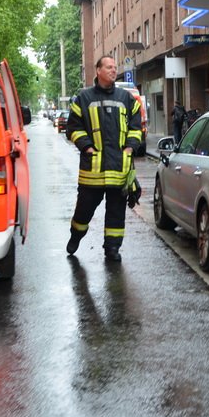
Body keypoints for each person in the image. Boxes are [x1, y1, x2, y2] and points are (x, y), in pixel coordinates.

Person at [65, 55, 143, 262]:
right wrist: (87, 147)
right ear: (98, 70)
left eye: (114, 67)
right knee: (84, 210)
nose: (113, 70)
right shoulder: (83, 98)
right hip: (93, 171)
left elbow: (136, 128)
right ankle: (76, 236)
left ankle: (112, 248)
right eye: (108, 67)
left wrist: (130, 148)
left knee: (116, 213)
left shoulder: (126, 98)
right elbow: (72, 128)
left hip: (119, 168)